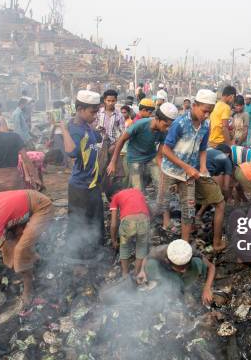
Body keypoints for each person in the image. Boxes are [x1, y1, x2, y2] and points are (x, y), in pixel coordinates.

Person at [158, 89, 215, 242]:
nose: (206, 115)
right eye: (204, 111)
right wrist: (187, 167)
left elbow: (203, 149)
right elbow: (166, 150)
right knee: (163, 201)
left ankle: (184, 242)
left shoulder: (206, 126)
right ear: (194, 105)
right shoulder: (180, 123)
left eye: (210, 112)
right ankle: (165, 221)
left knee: (189, 209)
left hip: (189, 174)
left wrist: (202, 167)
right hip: (170, 170)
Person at [59, 90, 105, 243]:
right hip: (80, 187)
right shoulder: (73, 129)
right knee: (79, 224)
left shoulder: (86, 125)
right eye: (93, 112)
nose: (95, 115)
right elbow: (71, 152)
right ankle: (77, 259)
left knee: (96, 221)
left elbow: (95, 137)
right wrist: (63, 129)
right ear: (80, 110)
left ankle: (96, 251)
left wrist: (97, 132)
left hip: (92, 184)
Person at [108, 102, 177, 193]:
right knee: (138, 190)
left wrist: (162, 172)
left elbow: (159, 156)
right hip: (134, 159)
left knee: (162, 185)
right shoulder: (140, 124)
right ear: (157, 119)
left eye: (169, 126)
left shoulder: (164, 131)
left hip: (151, 158)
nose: (167, 128)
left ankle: (161, 206)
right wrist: (113, 162)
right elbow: (122, 140)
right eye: (166, 125)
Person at [136, 239, 216, 306]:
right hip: (167, 273)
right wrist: (142, 271)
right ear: (167, 261)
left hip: (187, 276)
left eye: (185, 267)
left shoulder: (190, 252)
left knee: (198, 262)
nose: (183, 270)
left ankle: (184, 288)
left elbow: (211, 267)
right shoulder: (162, 251)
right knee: (150, 264)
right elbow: (147, 257)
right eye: (180, 268)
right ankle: (164, 284)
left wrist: (207, 287)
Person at [0, 110, 41, 193]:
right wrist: (36, 177)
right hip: (14, 180)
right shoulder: (14, 137)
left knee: (0, 205)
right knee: (17, 204)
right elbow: (26, 158)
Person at [195, 145, 232, 251]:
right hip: (202, 175)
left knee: (190, 202)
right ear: (228, 154)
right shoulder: (226, 160)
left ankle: (190, 231)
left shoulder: (209, 150)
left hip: (188, 171)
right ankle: (217, 243)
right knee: (220, 205)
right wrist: (225, 198)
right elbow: (225, 187)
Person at [109, 187, 150, 277]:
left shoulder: (115, 197)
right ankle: (137, 273)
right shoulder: (138, 191)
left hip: (128, 224)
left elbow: (113, 224)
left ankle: (125, 274)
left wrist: (113, 240)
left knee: (124, 247)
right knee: (141, 247)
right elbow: (147, 208)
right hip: (144, 221)